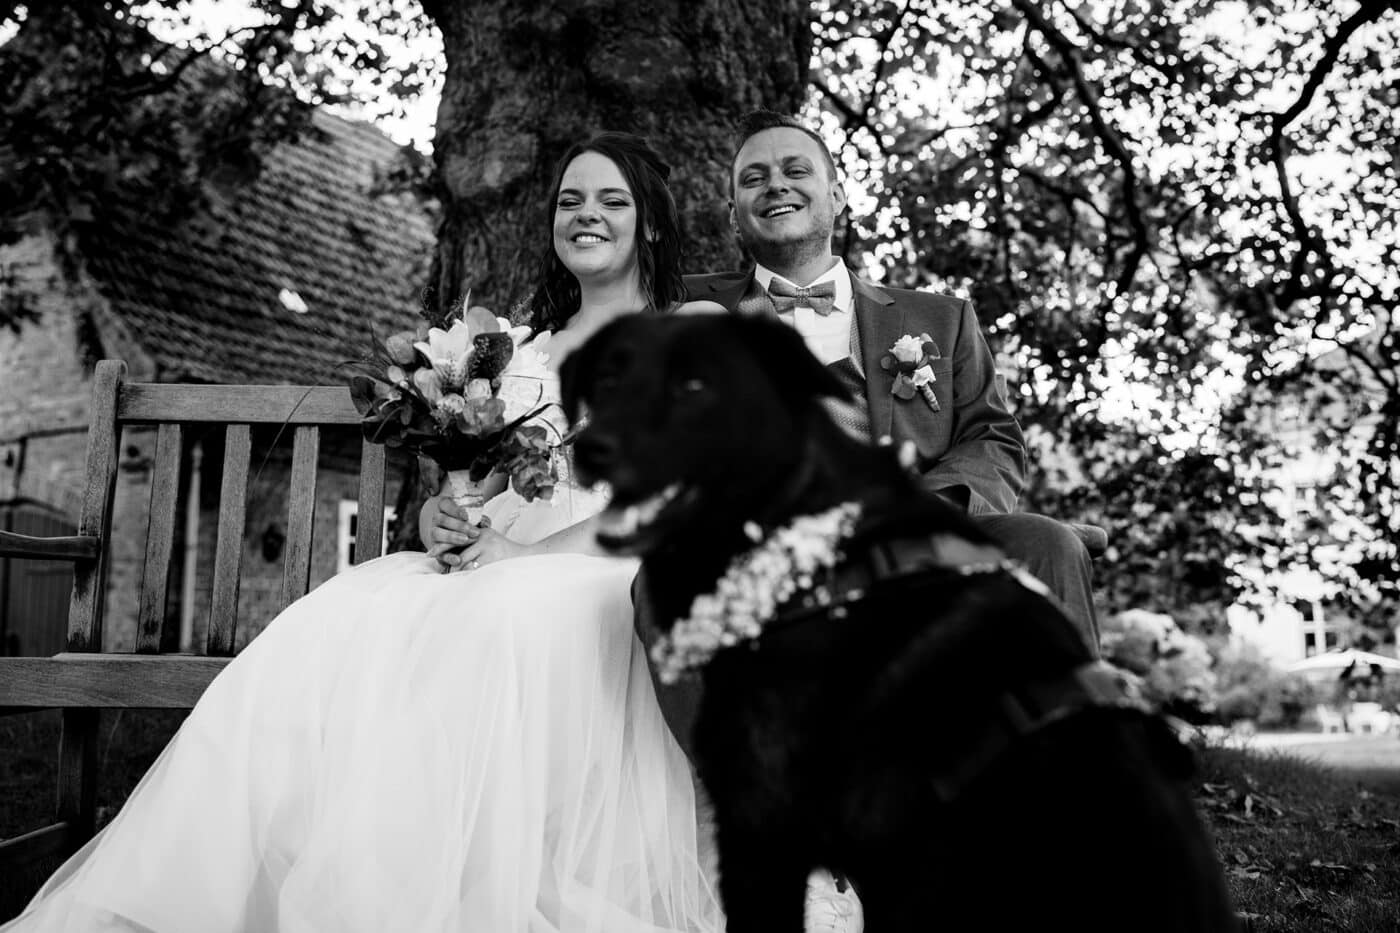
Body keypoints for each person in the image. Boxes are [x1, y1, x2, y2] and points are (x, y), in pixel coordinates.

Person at [3, 132, 723, 933]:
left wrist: (525, 554)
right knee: (342, 613)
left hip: (606, 567)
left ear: (650, 224)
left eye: (611, 200)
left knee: (501, 617)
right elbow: (477, 479)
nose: (586, 215)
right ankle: (259, 883)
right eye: (569, 201)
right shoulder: (521, 351)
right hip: (498, 561)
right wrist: (440, 518)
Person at [687, 109, 1098, 645]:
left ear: (836, 196)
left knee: (1046, 543)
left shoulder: (940, 320)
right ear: (734, 213)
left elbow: (993, 438)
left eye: (796, 170)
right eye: (754, 178)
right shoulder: (685, 304)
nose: (776, 185)